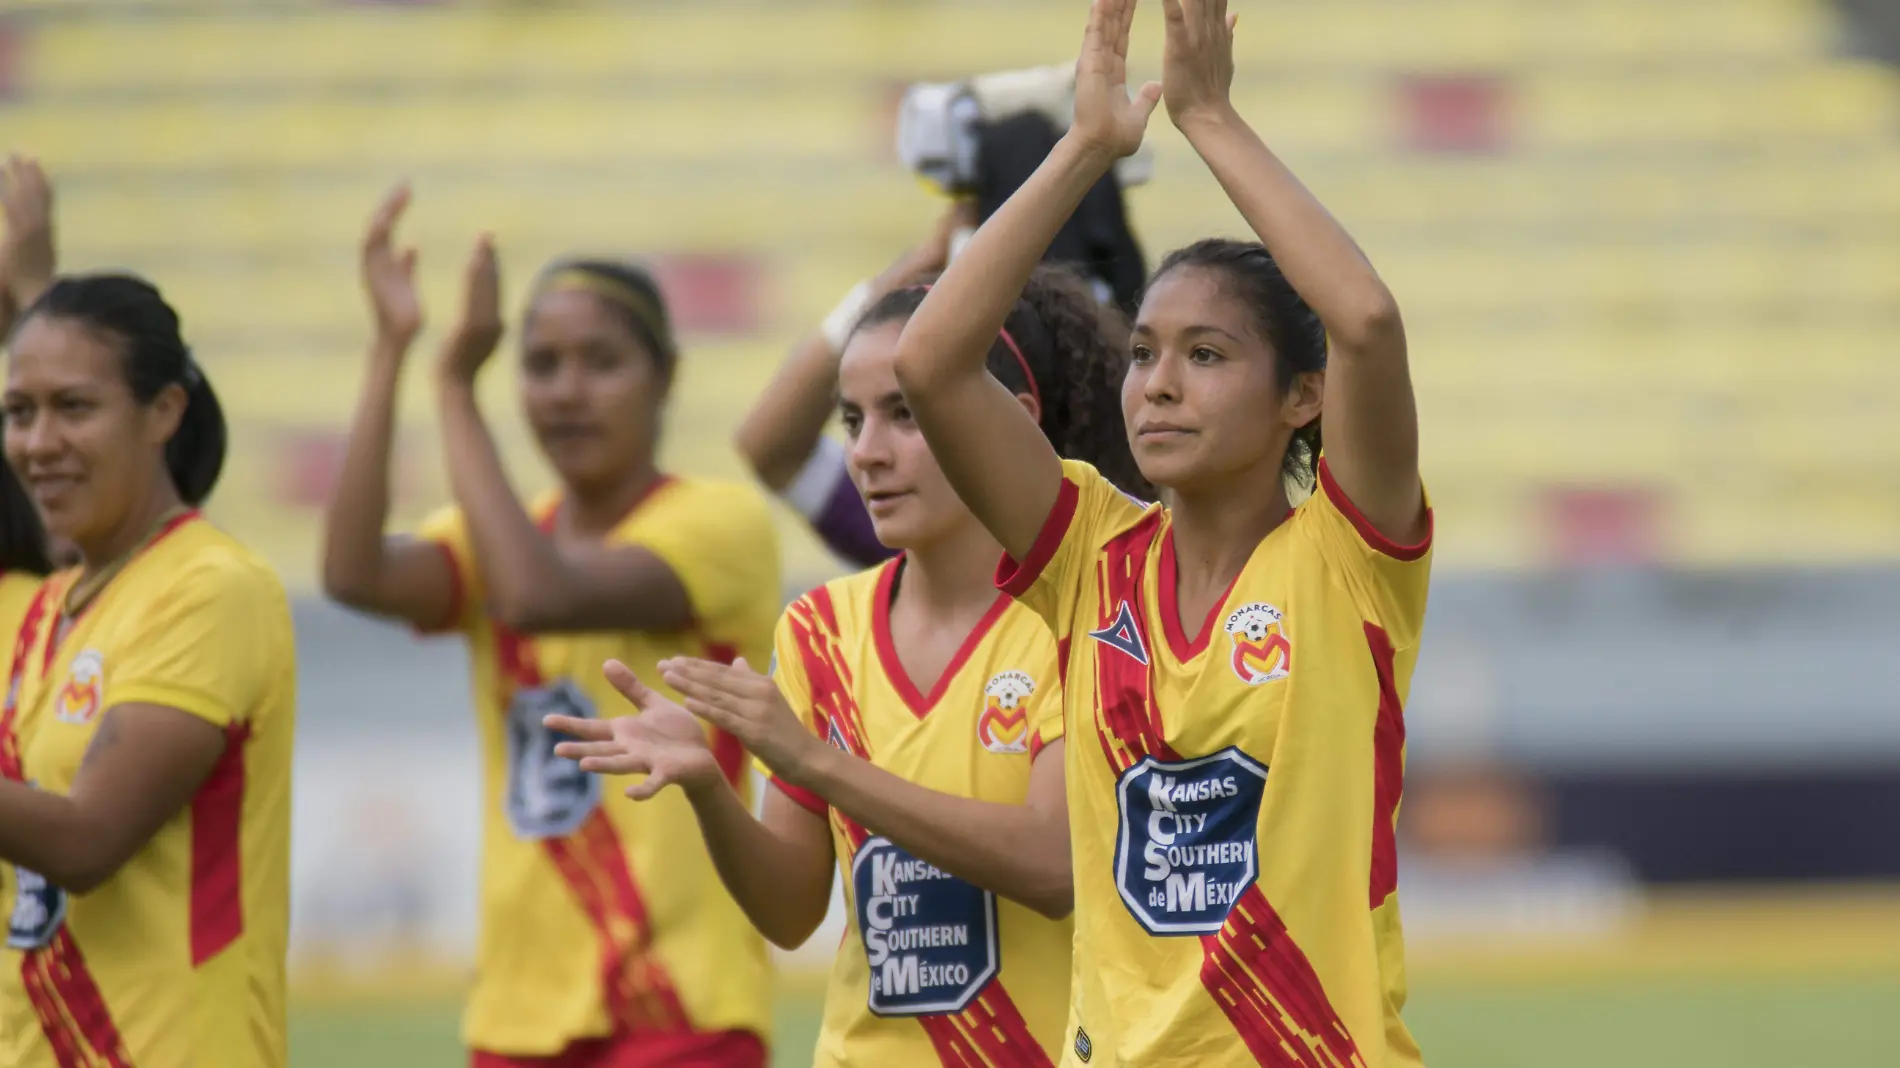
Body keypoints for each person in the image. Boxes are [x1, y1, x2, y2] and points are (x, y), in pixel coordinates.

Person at [887, 1, 1434, 1065]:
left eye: (1208, 355)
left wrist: (1209, 116)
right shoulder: (1091, 553)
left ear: (1302, 397)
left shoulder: (1348, 559)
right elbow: (931, 365)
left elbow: (1364, 321)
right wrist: (1084, 146)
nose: (1159, 386)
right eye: (1142, 354)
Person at [549, 263, 1142, 1067]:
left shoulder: (1078, 614)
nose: (866, 453)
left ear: (1012, 419)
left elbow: (1049, 865)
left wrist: (817, 765)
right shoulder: (820, 627)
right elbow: (793, 911)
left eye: (906, 414)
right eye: (852, 419)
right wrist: (709, 790)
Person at [321, 187, 777, 1068]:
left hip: (681, 1007)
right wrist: (392, 349)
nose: (566, 393)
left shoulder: (719, 525)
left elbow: (541, 597)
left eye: (600, 361)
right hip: (518, 1014)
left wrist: (455, 386)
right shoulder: (501, 535)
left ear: (666, 376)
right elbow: (353, 571)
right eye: (540, 365)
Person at [0, 273, 297, 1068]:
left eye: (74, 408)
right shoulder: (47, 608)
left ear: (164, 411)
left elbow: (88, 839)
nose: (37, 442)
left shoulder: (210, 588)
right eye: (18, 413)